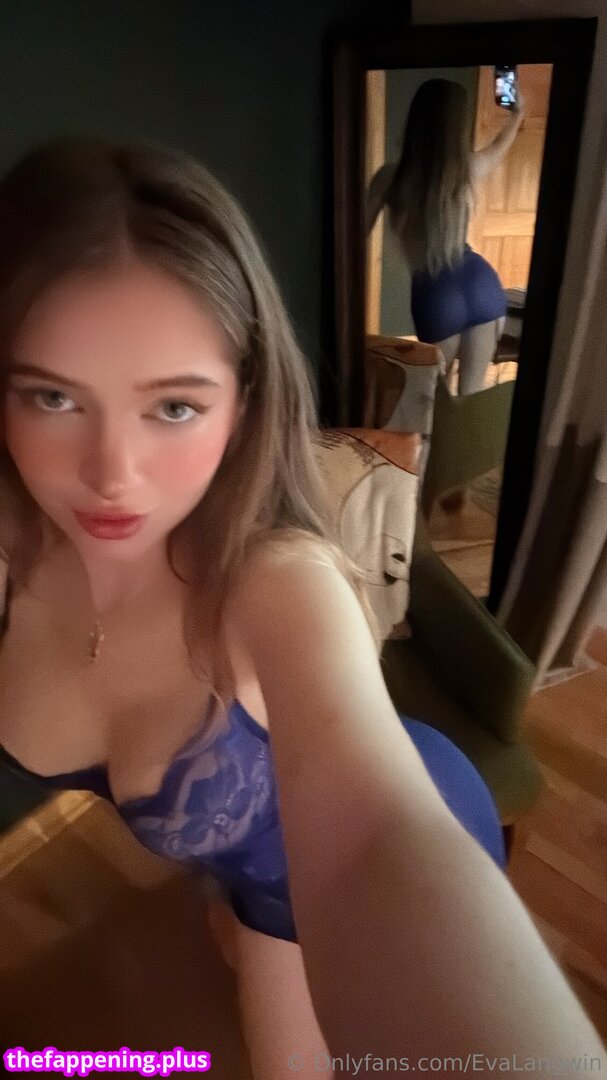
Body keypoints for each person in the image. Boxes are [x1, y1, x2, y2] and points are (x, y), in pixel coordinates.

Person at [0, 137, 603, 1080]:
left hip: (381, 822)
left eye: (173, 407)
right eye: (52, 396)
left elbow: (373, 843)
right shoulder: (13, 543)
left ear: (243, 404)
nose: (112, 475)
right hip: (235, 867)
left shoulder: (281, 582)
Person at [367, 78, 525, 396]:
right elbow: (499, 145)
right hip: (482, 283)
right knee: (472, 394)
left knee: (436, 398)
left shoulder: (390, 176)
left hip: (435, 292)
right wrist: (518, 112)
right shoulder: (469, 167)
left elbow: (352, 238)